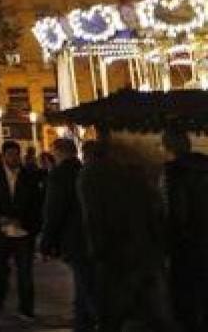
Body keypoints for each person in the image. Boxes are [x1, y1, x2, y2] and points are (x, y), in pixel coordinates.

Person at [79, 139, 178, 332]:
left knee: (116, 304)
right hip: (141, 249)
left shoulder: (92, 176)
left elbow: (93, 217)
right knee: (144, 304)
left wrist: (97, 248)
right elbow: (154, 214)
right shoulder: (136, 177)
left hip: (117, 251)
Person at [0, 140, 43, 320]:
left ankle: (26, 307)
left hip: (23, 231)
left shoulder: (29, 175)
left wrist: (26, 221)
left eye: (17, 155)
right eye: (11, 155)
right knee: (0, 268)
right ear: (4, 156)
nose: (15, 158)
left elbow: (36, 203)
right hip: (0, 230)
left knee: (25, 271)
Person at [39, 137, 93, 332]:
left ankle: (92, 322)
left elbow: (53, 211)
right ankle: (82, 324)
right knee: (83, 285)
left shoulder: (59, 175)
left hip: (73, 238)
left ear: (59, 152)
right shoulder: (84, 171)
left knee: (85, 286)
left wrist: (46, 242)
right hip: (90, 237)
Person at [162, 128, 208, 332]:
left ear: (167, 147)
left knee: (185, 295)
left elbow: (173, 211)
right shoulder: (204, 167)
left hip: (185, 242)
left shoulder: (173, 173)